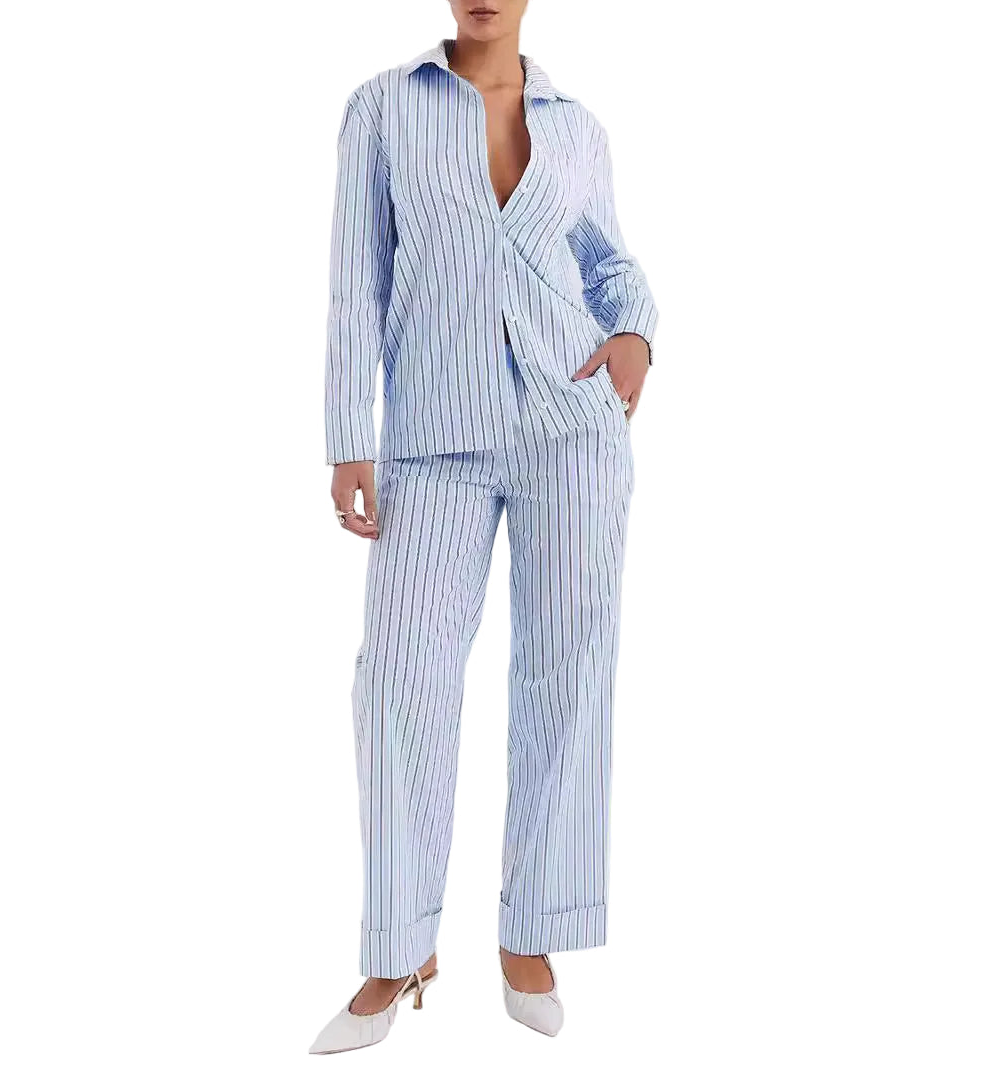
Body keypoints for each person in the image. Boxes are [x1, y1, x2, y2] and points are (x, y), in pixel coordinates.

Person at [311, 1, 657, 1053]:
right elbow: (355, 281)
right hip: (431, 438)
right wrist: (348, 437)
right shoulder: (381, 110)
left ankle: (533, 928)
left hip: (572, 427)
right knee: (398, 682)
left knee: (567, 672)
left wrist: (636, 332)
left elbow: (608, 264)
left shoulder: (578, 127)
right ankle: (397, 945)